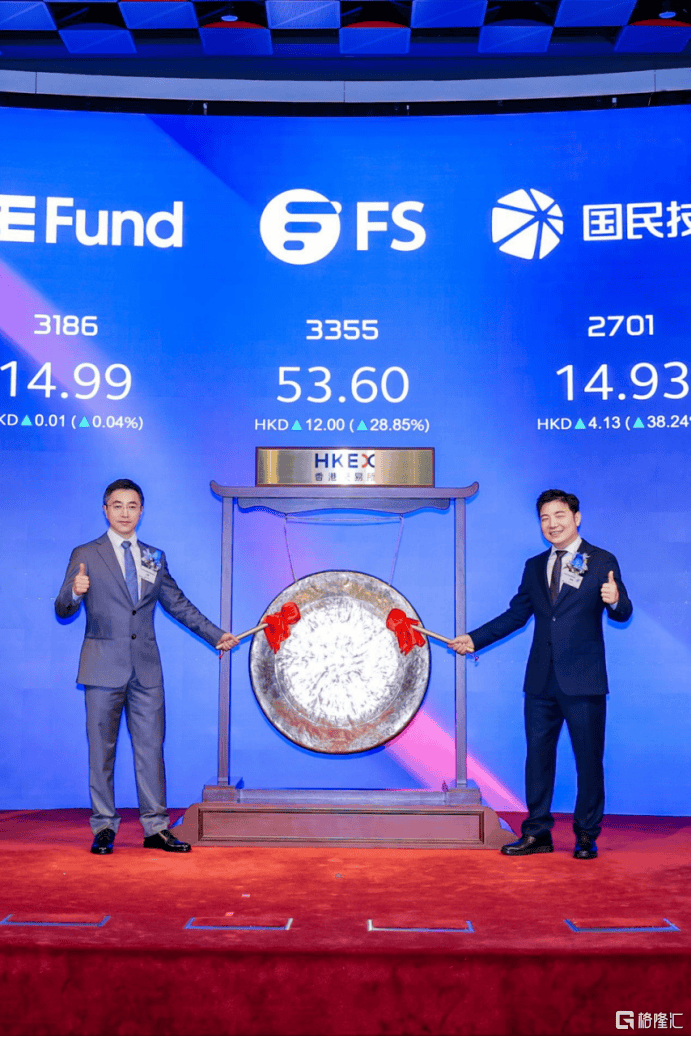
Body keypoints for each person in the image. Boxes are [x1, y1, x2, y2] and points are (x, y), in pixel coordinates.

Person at [55, 479, 238, 855]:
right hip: (101, 668)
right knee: (101, 753)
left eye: (132, 505)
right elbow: (62, 607)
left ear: (141, 511)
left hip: (147, 672)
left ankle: (156, 828)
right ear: (105, 510)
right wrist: (74, 591)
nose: (125, 512)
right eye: (117, 505)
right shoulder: (85, 553)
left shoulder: (154, 557)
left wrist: (215, 635)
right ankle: (104, 826)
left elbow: (178, 603)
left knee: (151, 751)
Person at [450, 489, 632, 860]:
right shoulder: (534, 566)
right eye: (545, 518)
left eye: (559, 515)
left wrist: (615, 601)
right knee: (537, 759)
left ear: (576, 517)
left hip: (583, 680)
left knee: (588, 761)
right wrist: (474, 639)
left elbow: (623, 611)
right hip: (540, 680)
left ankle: (586, 835)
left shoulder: (600, 560)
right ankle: (537, 833)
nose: (552, 524)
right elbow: (516, 614)